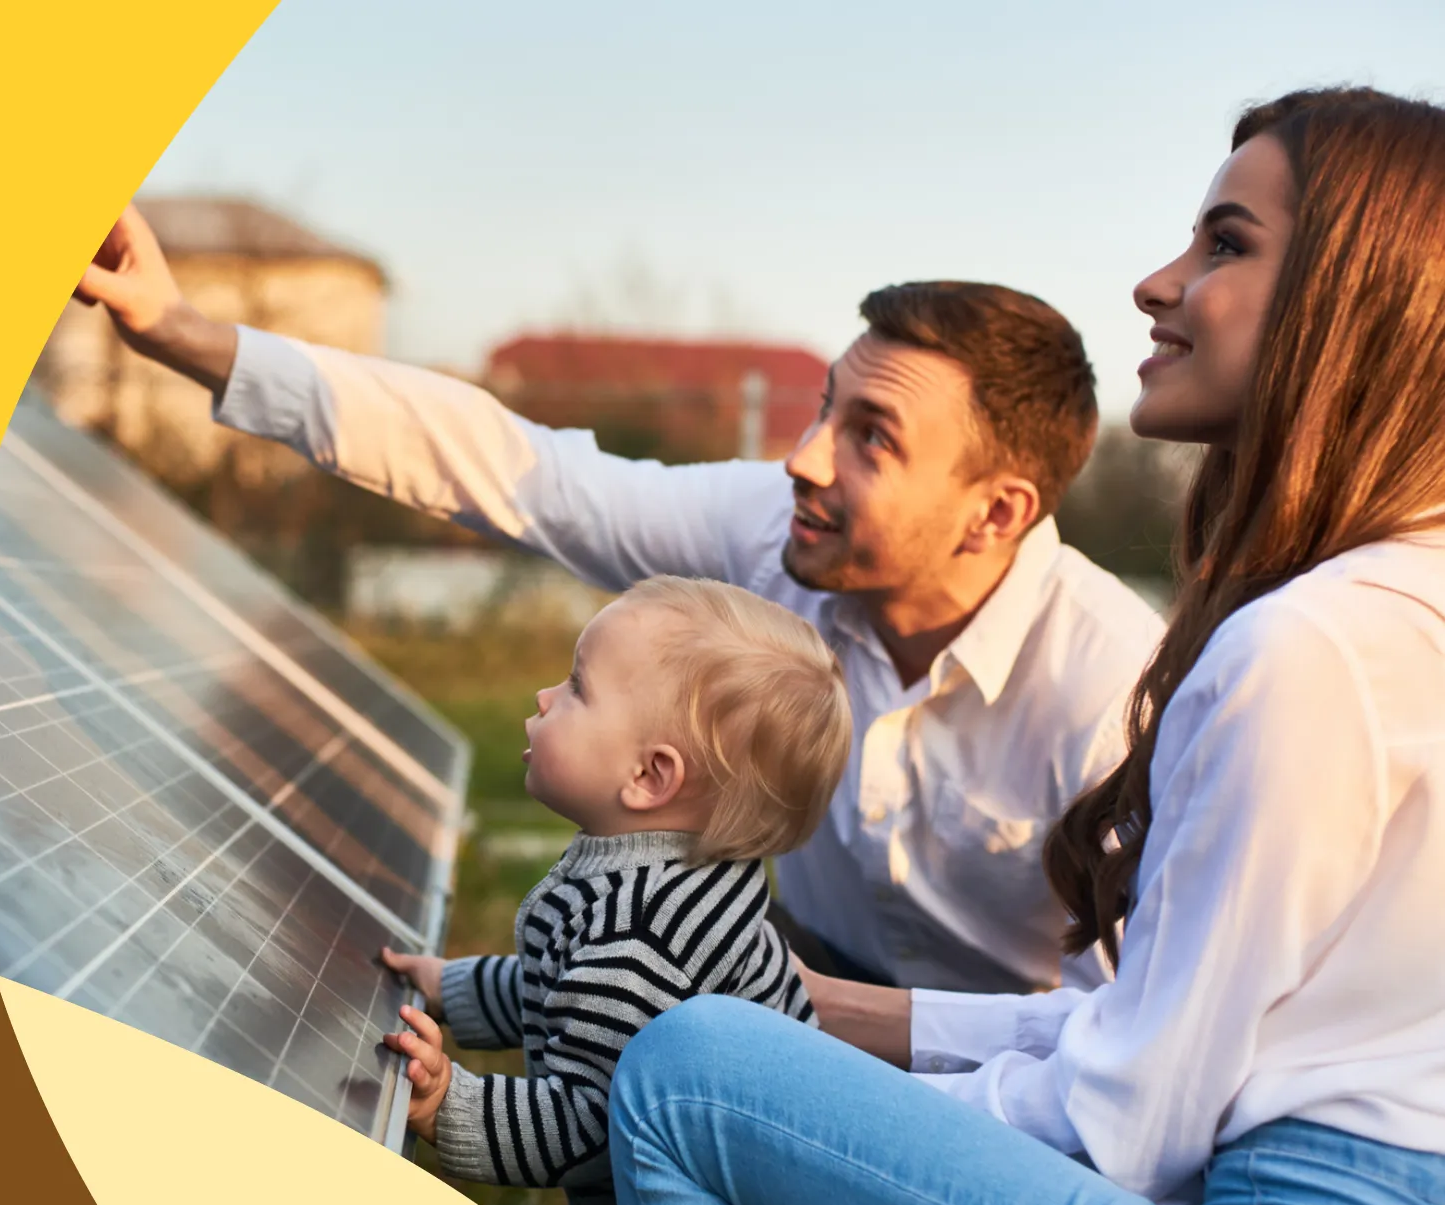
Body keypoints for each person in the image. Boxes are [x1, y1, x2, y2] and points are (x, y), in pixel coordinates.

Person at [604, 86, 1445, 1205]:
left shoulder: (1306, 649)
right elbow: (1162, 1021)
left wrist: (811, 1103)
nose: (1157, 284)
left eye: (1227, 244)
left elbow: (1131, 1123)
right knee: (732, 1046)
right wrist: (813, 1013)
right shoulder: (1395, 611)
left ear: (1358, 305)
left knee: (685, 1077)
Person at [74, 217, 1164, 997]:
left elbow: (1115, 1045)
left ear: (996, 512)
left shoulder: (1113, 690)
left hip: (998, 1065)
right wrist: (181, 331)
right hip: (793, 970)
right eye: (825, 408)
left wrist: (803, 1026)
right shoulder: (774, 534)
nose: (802, 457)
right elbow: (519, 473)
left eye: (871, 437)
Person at [375, 575, 847, 1205]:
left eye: (575, 689)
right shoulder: (685, 876)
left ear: (649, 777)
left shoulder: (639, 939)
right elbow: (569, 993)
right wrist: (450, 988)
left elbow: (585, 1125)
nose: (544, 696)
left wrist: (446, 1103)